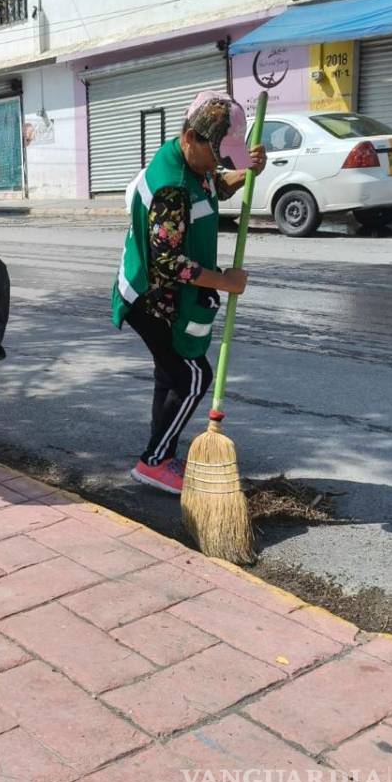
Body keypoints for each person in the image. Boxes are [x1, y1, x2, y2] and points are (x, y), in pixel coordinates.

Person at [111, 91, 267, 495]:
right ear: (193, 137)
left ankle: (160, 452)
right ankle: (154, 461)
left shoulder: (189, 162)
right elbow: (168, 262)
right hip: (149, 298)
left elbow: (213, 184)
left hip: (164, 296)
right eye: (217, 152)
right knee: (195, 377)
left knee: (172, 375)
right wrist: (225, 281)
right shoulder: (172, 188)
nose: (219, 162)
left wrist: (244, 172)